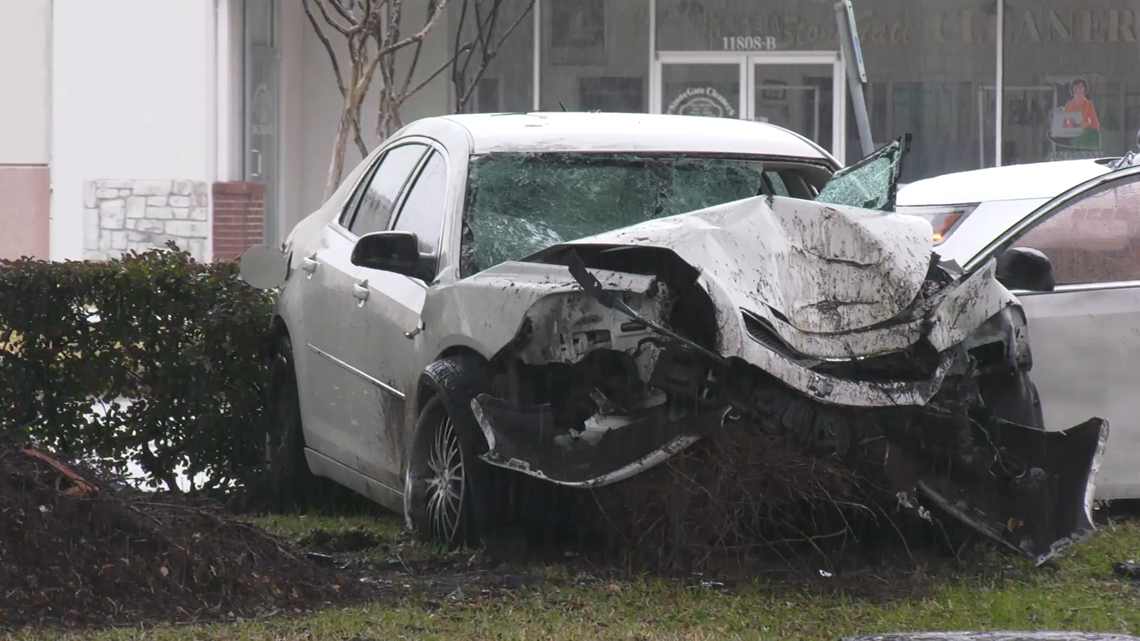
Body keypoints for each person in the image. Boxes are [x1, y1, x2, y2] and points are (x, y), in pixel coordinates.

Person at [1063, 78, 1101, 150]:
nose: (1078, 90)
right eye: (1076, 87)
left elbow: (1095, 124)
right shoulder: (1068, 105)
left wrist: (1087, 124)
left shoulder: (1089, 105)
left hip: (1086, 135)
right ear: (1072, 90)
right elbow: (1064, 124)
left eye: (1081, 87)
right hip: (1073, 136)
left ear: (1084, 89)